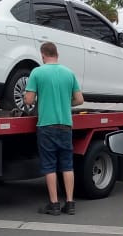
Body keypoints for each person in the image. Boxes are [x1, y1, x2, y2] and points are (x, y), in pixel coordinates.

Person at [23, 41, 84, 215]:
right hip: (65, 125)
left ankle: (54, 204)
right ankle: (70, 203)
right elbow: (80, 100)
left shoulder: (37, 72)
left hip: (46, 125)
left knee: (49, 165)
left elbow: (28, 100)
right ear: (57, 54)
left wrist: (34, 99)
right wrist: (65, 102)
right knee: (67, 165)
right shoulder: (68, 73)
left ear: (43, 55)